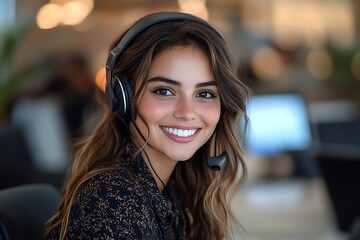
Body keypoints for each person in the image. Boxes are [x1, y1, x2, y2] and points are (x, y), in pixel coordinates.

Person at [45, 12, 251, 240]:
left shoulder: (172, 189)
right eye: (164, 91)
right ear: (123, 98)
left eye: (204, 93)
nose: (186, 112)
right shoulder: (114, 198)